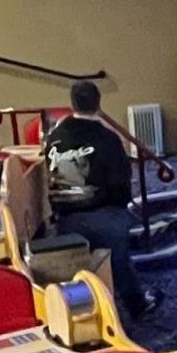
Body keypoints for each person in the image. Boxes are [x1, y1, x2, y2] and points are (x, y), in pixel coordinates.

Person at [42, 81, 159, 318]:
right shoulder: (107, 138)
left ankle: (78, 309)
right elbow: (120, 182)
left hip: (65, 217)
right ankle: (136, 305)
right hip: (104, 213)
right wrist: (119, 206)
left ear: (72, 104)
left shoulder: (54, 137)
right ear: (98, 104)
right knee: (119, 259)